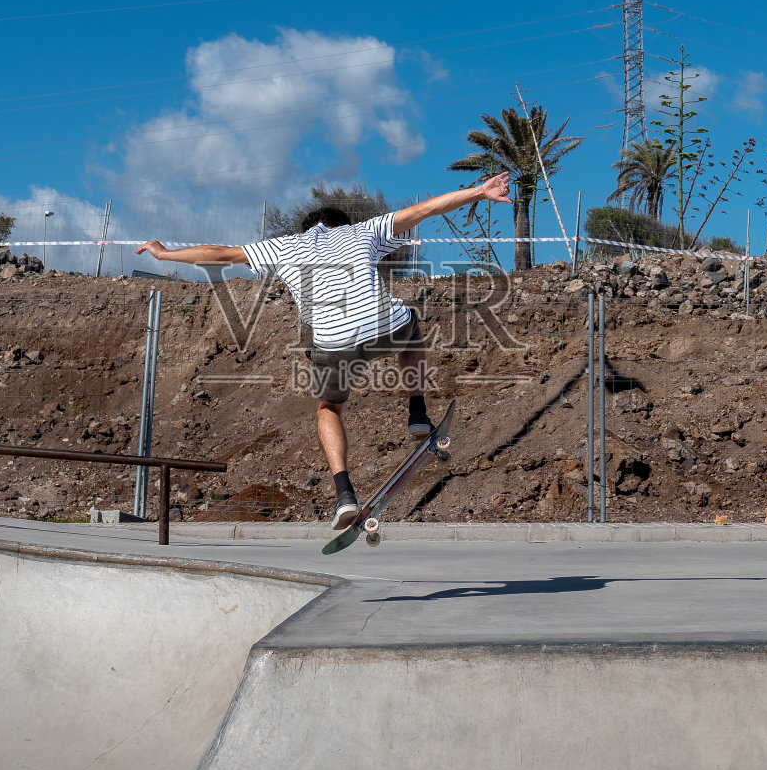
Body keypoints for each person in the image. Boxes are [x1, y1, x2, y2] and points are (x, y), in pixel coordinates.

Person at [135, 172, 512, 530]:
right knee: (411, 327)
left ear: (308, 229)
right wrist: (480, 191)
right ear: (340, 223)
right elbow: (426, 208)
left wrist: (165, 255)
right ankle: (417, 411)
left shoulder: (281, 246)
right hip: (381, 323)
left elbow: (220, 254)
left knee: (328, 407)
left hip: (333, 341)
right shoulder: (363, 230)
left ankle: (344, 495)